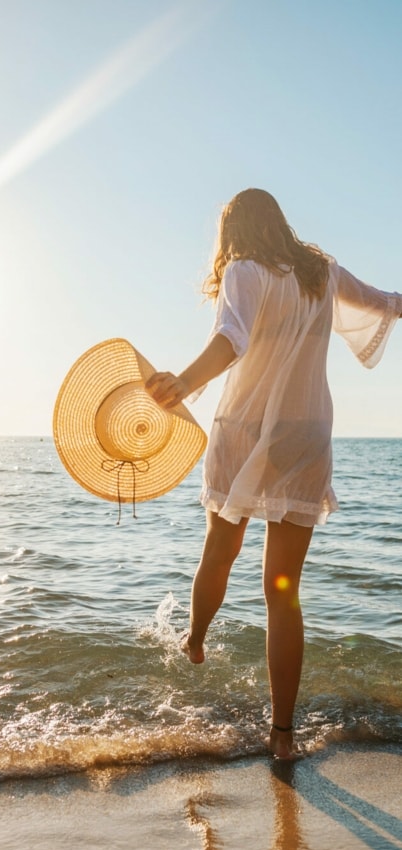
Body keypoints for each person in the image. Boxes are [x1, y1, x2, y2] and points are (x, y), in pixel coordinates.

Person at [145, 188, 402, 760]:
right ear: (280, 225)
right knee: (283, 593)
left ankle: (194, 641)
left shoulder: (243, 269)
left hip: (245, 429)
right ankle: (283, 736)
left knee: (220, 550)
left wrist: (183, 384)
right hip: (306, 437)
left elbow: (230, 338)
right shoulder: (323, 273)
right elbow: (389, 302)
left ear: (233, 232)